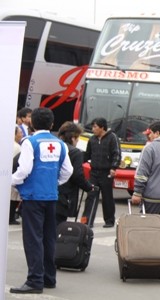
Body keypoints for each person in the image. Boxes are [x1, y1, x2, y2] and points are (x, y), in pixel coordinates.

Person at [10, 107, 73, 294]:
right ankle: (48, 278)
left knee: (32, 239)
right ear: (52, 124)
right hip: (51, 196)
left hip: (33, 197)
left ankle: (34, 280)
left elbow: (24, 169)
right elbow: (67, 171)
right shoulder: (60, 144)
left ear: (32, 123)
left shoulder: (30, 142)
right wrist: (54, 183)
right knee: (48, 238)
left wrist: (11, 181)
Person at [81, 117, 121, 228]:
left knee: (107, 197)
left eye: (95, 127)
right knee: (90, 196)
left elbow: (116, 154)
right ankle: (86, 221)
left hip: (106, 172)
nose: (93, 129)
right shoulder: (92, 139)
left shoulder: (112, 138)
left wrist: (113, 167)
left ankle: (109, 220)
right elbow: (87, 154)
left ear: (102, 128)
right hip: (94, 172)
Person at [56, 122, 94, 226]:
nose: (77, 141)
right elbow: (77, 175)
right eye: (77, 139)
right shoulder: (75, 152)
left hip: (45, 193)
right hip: (63, 195)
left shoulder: (53, 147)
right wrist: (89, 187)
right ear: (73, 138)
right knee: (57, 228)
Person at [9, 125, 23, 225]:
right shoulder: (17, 147)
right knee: (13, 198)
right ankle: (10, 218)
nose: (21, 134)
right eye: (20, 132)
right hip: (13, 173)